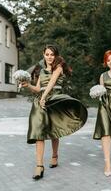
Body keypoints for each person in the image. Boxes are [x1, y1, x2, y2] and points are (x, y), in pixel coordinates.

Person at [22, 45, 88, 180]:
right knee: (38, 132)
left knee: (53, 131)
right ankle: (39, 166)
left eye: (52, 54)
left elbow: (52, 83)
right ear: (43, 55)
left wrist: (44, 97)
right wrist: (28, 85)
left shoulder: (58, 68)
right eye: (47, 54)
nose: (50, 57)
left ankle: (54, 156)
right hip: (40, 101)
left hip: (55, 100)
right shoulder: (41, 71)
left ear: (56, 55)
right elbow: (38, 88)